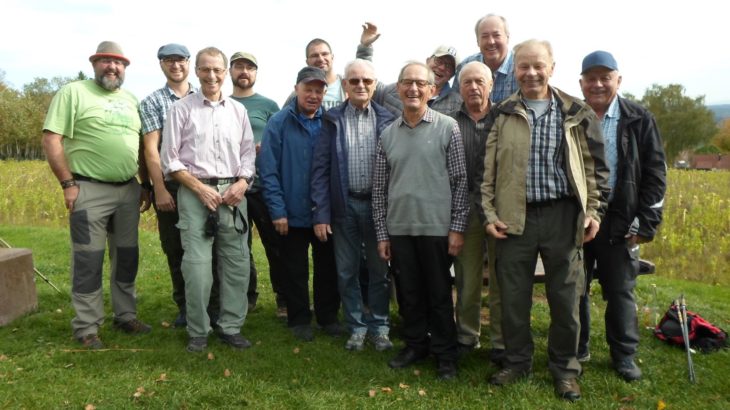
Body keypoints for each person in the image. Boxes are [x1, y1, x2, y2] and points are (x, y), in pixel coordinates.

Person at [478, 40, 609, 401]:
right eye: (524, 66)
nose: (531, 73)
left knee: (566, 300)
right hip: (514, 219)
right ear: (515, 69)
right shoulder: (502, 113)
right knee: (513, 298)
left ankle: (565, 370)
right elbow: (488, 170)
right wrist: (489, 214)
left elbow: (595, 170)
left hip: (563, 217)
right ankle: (517, 362)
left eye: (539, 65)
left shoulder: (576, 112)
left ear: (552, 67)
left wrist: (593, 211)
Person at [42, 41, 151, 349]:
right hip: (88, 189)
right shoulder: (73, 93)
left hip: (128, 190)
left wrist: (144, 184)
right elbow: (52, 139)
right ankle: (87, 327)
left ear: (125, 68)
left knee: (127, 256)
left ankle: (125, 315)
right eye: (105, 61)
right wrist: (67, 183)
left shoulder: (131, 99)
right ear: (94, 64)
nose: (112, 67)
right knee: (88, 260)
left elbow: (141, 146)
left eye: (118, 63)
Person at [372, 61, 468, 380]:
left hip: (437, 228)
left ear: (431, 90)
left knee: (439, 294)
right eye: (407, 83)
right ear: (397, 89)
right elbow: (379, 190)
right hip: (400, 228)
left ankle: (445, 354)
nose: (413, 89)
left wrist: (457, 228)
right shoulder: (387, 135)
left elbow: (459, 180)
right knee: (409, 293)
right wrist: (382, 235)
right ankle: (415, 344)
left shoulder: (447, 127)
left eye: (420, 83)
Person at [577, 50, 667, 381]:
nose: (598, 84)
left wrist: (646, 221)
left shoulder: (639, 118)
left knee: (620, 290)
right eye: (591, 78)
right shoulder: (572, 116)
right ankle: (578, 347)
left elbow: (656, 172)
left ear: (618, 80)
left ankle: (624, 355)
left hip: (621, 218)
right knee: (576, 287)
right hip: (578, 216)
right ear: (581, 82)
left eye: (605, 77)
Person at [161, 47, 256, 353]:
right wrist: (199, 189)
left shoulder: (237, 111)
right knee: (197, 266)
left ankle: (230, 326)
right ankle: (198, 330)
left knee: (236, 263)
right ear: (197, 71)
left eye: (217, 70)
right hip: (194, 192)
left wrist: (242, 183)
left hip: (233, 195)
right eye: (205, 69)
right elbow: (170, 160)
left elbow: (247, 155)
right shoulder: (180, 110)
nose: (212, 75)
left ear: (225, 72)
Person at [310, 59, 395, 352]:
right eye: (354, 81)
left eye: (366, 81)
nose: (360, 85)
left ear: (374, 84)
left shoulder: (387, 119)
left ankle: (380, 327)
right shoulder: (331, 120)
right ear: (344, 85)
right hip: (343, 207)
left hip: (377, 208)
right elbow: (320, 170)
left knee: (378, 271)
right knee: (346, 272)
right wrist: (321, 213)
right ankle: (356, 327)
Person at [259, 66, 342, 342]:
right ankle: (298, 318)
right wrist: (277, 210)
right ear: (296, 90)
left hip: (324, 212)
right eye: (308, 89)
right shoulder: (278, 123)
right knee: (294, 268)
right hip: (290, 212)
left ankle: (328, 317)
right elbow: (268, 170)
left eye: (319, 90)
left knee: (326, 267)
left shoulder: (330, 123)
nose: (313, 95)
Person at [140, 43, 213, 329]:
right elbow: (150, 149)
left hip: (204, 184)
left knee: (209, 245)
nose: (176, 66)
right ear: (161, 65)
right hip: (171, 185)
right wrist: (157, 188)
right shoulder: (153, 101)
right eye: (169, 61)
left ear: (189, 63)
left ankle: (211, 303)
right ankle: (185, 305)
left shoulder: (204, 94)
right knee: (175, 247)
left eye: (180, 60)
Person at [448, 61, 501, 358]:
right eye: (467, 82)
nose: (473, 87)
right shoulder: (450, 121)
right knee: (467, 278)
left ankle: (501, 341)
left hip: (499, 207)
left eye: (479, 81)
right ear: (459, 87)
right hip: (463, 207)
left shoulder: (505, 117)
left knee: (501, 277)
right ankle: (467, 336)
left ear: (491, 85)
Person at [228, 51, 287, 316]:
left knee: (275, 245)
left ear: (255, 73)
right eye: (239, 66)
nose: (244, 72)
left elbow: (283, 138)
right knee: (239, 248)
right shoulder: (222, 104)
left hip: (263, 186)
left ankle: (284, 298)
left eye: (249, 68)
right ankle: (247, 296)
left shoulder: (268, 105)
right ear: (230, 71)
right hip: (232, 189)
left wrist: (269, 148)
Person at [358, 23, 462, 115]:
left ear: (452, 75)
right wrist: (365, 48)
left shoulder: (457, 104)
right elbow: (366, 83)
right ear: (427, 60)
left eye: (449, 66)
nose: (442, 67)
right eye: (439, 61)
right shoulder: (392, 91)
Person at [454, 14, 518, 103]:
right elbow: (456, 104)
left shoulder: (521, 66)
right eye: (485, 36)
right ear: (477, 41)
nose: (491, 41)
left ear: (507, 38)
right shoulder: (466, 66)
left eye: (496, 35)